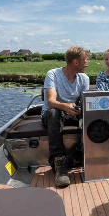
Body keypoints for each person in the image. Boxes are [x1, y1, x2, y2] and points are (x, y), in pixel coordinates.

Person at [41, 46, 89, 187]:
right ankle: (59, 162)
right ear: (75, 62)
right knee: (54, 113)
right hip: (54, 112)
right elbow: (50, 102)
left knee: (91, 116)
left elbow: (84, 101)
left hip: (72, 112)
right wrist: (66, 107)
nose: (87, 63)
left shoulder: (84, 78)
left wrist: (80, 109)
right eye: (85, 60)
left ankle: (83, 154)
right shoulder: (53, 74)